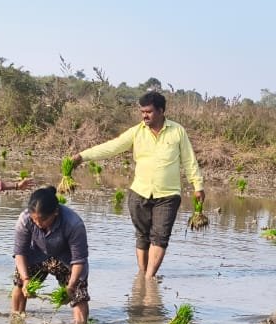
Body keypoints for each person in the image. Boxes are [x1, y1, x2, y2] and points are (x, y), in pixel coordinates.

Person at [68, 92, 204, 277]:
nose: (144, 116)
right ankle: (142, 277)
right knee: (142, 237)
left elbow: (189, 161)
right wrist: (82, 156)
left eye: (148, 112)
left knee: (160, 237)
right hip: (139, 192)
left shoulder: (177, 131)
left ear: (161, 111)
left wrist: (198, 185)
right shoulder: (137, 131)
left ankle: (149, 277)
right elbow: (112, 147)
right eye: (142, 112)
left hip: (168, 195)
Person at [10, 186, 90, 324]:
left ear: (56, 212)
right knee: (19, 284)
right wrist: (26, 279)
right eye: (35, 220)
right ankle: (16, 321)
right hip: (37, 256)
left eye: (43, 220)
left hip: (67, 260)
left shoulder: (73, 224)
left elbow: (79, 260)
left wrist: (70, 286)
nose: (38, 224)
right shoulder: (25, 219)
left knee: (79, 296)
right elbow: (20, 252)